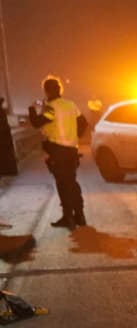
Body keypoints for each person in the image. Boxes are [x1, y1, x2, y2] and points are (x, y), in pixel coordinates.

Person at [27, 76, 88, 229]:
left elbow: (37, 123)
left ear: (46, 91)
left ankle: (68, 218)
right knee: (72, 182)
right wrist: (74, 137)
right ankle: (79, 215)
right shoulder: (71, 104)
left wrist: (32, 109)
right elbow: (83, 122)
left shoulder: (51, 107)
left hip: (58, 150)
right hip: (72, 149)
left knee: (63, 184)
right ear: (60, 89)